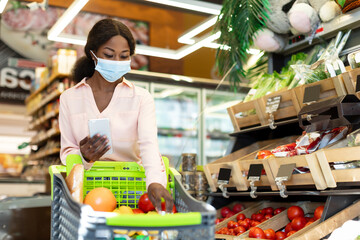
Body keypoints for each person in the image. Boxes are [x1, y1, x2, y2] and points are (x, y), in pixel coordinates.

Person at [59, 18, 174, 212]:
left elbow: (149, 146)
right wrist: (84, 157)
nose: (117, 62)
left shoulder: (141, 98)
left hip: (132, 189)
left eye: (124, 56)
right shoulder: (69, 98)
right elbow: (67, 151)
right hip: (87, 190)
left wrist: (155, 182)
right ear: (93, 54)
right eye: (109, 55)